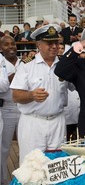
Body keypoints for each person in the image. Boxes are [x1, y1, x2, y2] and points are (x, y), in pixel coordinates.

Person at [10, 24, 71, 164]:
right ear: (39, 44)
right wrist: (31, 95)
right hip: (33, 123)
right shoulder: (26, 65)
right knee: (31, 167)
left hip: (58, 122)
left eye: (56, 42)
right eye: (49, 43)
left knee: (57, 166)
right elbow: (16, 95)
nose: (54, 46)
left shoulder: (64, 65)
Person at [0, 35, 21, 184]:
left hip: (25, 108)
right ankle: (3, 178)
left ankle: (25, 179)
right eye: (6, 45)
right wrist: (16, 74)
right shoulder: (0, 62)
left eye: (13, 44)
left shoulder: (24, 62)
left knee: (27, 144)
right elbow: (2, 87)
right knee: (4, 147)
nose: (11, 47)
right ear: (1, 48)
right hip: (6, 108)